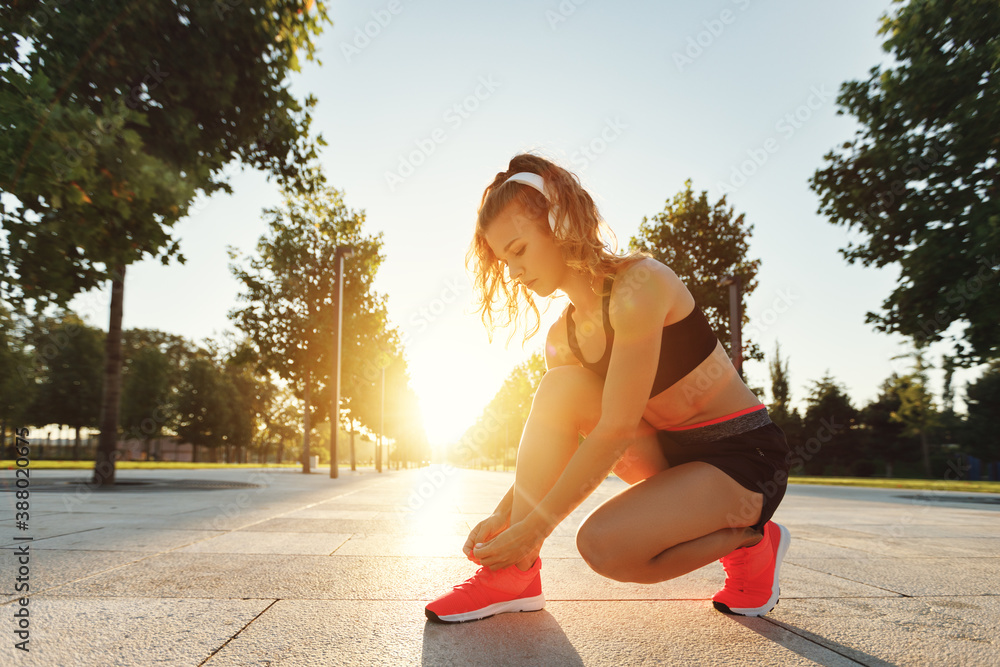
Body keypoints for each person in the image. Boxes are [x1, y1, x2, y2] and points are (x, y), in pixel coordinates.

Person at [424, 153, 792, 624]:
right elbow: (556, 448)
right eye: (503, 260)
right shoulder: (563, 337)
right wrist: (507, 517)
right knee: (561, 389)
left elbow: (616, 430)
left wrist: (534, 529)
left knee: (603, 547)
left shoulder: (639, 285)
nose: (513, 272)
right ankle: (515, 576)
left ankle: (752, 541)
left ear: (559, 223)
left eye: (518, 250)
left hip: (742, 459)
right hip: (670, 456)